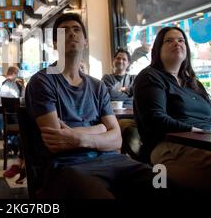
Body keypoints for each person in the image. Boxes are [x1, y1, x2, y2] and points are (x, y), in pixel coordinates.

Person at [25, 13, 161, 199]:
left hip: (112, 160)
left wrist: (78, 138)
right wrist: (100, 128)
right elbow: (57, 141)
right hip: (66, 167)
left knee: (162, 182)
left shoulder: (97, 86)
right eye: (64, 31)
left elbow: (117, 140)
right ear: (55, 44)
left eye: (77, 30)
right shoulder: (42, 81)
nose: (72, 34)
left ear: (86, 42)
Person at [133, 26, 211, 196]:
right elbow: (155, 119)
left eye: (181, 40)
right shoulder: (150, 76)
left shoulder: (193, 82)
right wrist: (193, 131)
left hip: (208, 141)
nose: (176, 43)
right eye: (169, 40)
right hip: (170, 145)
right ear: (158, 49)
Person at [101, 49, 141, 159]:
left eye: (124, 59)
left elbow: (138, 94)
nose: (121, 61)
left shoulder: (134, 78)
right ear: (113, 60)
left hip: (133, 116)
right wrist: (129, 94)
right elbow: (109, 95)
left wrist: (124, 90)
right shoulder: (107, 78)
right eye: (118, 58)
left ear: (128, 63)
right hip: (113, 117)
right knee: (128, 131)